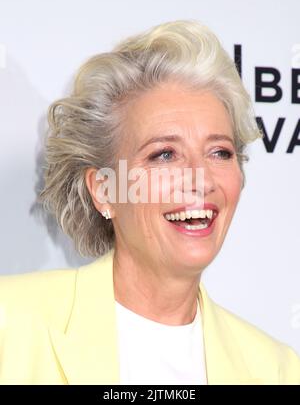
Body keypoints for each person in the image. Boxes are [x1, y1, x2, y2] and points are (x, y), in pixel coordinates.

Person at [0, 20, 299, 385]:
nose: (200, 179)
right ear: (105, 189)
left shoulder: (277, 370)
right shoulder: (10, 324)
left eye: (220, 152)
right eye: (164, 155)